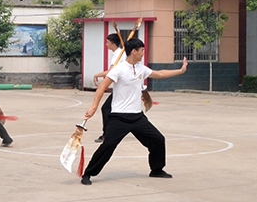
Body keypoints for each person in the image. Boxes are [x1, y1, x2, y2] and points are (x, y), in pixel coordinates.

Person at [79, 38, 187, 185]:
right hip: (119, 117)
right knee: (108, 145)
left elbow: (160, 74)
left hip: (137, 117)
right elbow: (102, 87)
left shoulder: (141, 68)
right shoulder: (119, 69)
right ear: (134, 51)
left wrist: (180, 71)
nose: (143, 53)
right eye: (141, 50)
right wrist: (93, 107)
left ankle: (156, 169)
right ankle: (88, 173)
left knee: (158, 140)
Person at [92, 33, 125, 143]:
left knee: (106, 109)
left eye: (108, 42)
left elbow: (111, 72)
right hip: (122, 87)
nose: (106, 44)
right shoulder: (120, 53)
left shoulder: (118, 55)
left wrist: (97, 75)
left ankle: (107, 135)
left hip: (122, 87)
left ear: (113, 44)